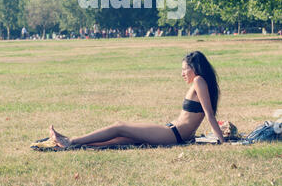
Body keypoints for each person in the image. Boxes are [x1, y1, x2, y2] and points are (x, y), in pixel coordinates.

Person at [49, 51, 225, 148]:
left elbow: (209, 115)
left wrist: (223, 142)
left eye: (184, 69)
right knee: (124, 139)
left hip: (174, 135)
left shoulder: (199, 81)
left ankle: (70, 141)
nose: (182, 73)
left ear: (194, 68)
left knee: (120, 126)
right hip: (171, 131)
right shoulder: (198, 82)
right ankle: (78, 145)